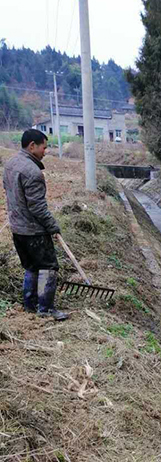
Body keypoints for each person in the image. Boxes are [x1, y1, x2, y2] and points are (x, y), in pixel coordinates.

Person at [2, 129, 68, 320]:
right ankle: (45, 309)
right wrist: (52, 226)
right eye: (44, 147)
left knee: (31, 266)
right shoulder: (32, 172)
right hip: (33, 231)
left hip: (17, 228)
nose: (45, 152)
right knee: (48, 267)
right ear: (32, 146)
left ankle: (30, 305)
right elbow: (38, 208)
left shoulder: (10, 164)